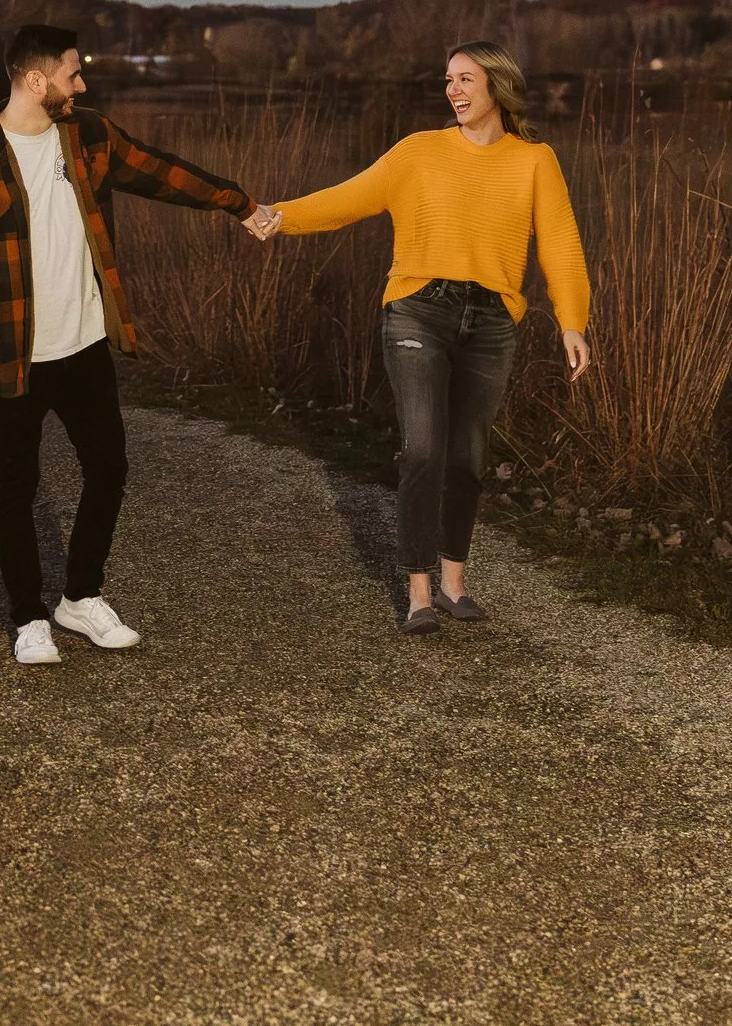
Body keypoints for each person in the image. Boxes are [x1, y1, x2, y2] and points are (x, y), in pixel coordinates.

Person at [0, 23, 268, 666]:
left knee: (108, 469)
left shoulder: (88, 136)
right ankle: (28, 618)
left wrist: (236, 202)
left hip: (83, 345)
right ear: (34, 80)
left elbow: (162, 173)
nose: (82, 84)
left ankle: (80, 597)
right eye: (72, 73)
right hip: (12, 356)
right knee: (15, 487)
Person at [248, 41, 591, 633]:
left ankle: (455, 585)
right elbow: (348, 199)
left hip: (491, 319)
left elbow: (560, 241)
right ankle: (419, 594)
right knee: (425, 449)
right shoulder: (418, 152)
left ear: (497, 87)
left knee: (469, 456)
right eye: (448, 80)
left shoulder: (535, 160)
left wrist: (572, 322)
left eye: (465, 79)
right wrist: (279, 215)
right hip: (417, 311)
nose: (453, 90)